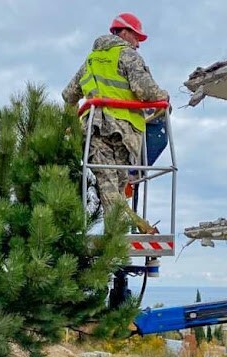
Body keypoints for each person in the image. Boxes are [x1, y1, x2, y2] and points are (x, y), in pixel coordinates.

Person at [62, 13, 169, 234]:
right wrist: (164, 98)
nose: (138, 44)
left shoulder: (90, 62)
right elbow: (145, 90)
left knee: (112, 185)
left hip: (96, 131)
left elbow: (69, 95)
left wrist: (71, 124)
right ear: (124, 33)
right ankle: (119, 241)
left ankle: (122, 234)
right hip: (122, 133)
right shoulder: (127, 55)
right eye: (137, 37)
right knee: (113, 188)